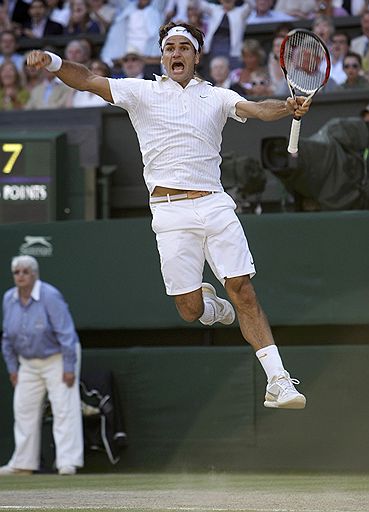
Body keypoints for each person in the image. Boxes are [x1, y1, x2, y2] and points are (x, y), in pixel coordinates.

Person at [26, 22, 309, 409]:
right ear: (162, 55)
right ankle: (212, 309)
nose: (176, 54)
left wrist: (286, 106)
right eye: (169, 48)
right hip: (170, 213)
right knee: (190, 310)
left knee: (242, 288)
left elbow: (258, 108)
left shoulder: (217, 96)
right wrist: (54, 61)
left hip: (214, 203)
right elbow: (88, 79)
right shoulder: (141, 91)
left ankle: (278, 380)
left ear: (196, 56)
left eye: (184, 48)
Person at [0, 256, 83, 476]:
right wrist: (12, 369)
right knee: (23, 408)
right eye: (16, 272)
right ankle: (23, 463)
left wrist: (68, 367)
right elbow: (7, 338)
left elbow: (66, 333)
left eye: (25, 272)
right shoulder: (8, 298)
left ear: (34, 274)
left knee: (63, 408)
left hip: (57, 357)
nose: (20, 276)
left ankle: (68, 461)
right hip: (27, 362)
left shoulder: (50, 296)